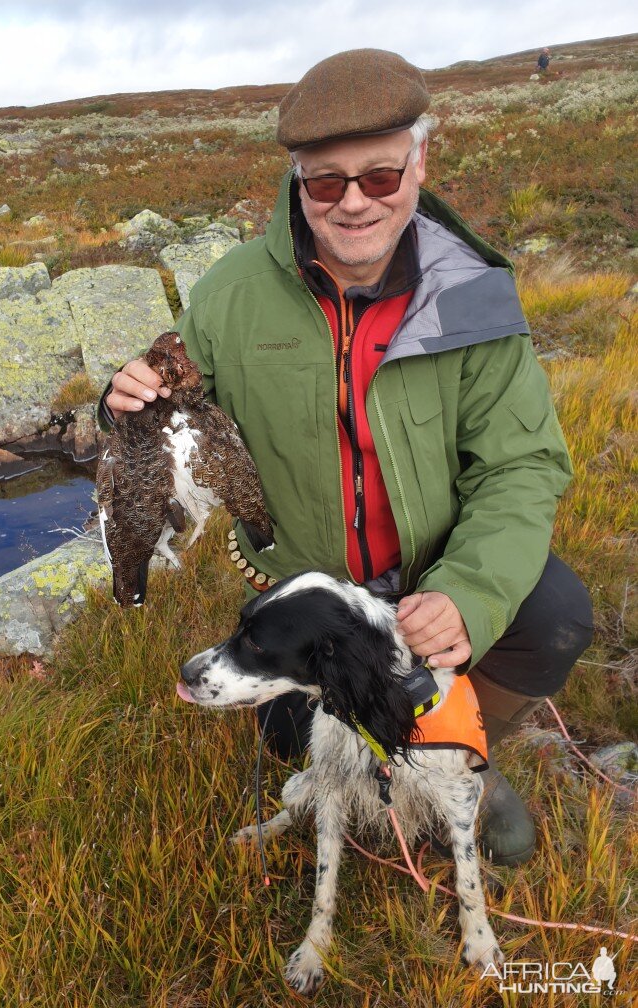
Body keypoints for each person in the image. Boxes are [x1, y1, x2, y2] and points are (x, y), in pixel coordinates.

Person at [98, 49, 593, 865]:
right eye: (327, 182)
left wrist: (467, 594)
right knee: (298, 741)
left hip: (435, 562)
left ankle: (460, 746)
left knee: (555, 616)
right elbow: (167, 388)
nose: (355, 202)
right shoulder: (231, 291)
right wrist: (124, 398)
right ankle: (366, 733)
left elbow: (523, 466)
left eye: (381, 176)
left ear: (420, 161)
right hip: (307, 582)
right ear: (298, 179)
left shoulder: (472, 291)